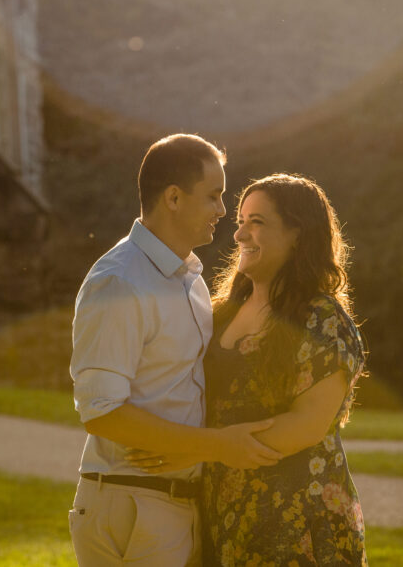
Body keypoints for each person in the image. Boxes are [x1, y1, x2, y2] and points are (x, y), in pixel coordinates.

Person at [130, 173, 368, 566]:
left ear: (298, 235)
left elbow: (307, 425)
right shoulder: (220, 314)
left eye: (256, 222)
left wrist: (197, 448)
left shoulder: (323, 318)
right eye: (240, 221)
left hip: (298, 520)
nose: (239, 234)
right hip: (222, 511)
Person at [68, 134, 283, 567]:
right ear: (173, 198)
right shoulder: (120, 281)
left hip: (174, 504)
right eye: (213, 196)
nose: (223, 211)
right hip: (133, 504)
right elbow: (101, 409)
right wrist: (217, 444)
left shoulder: (190, 280)